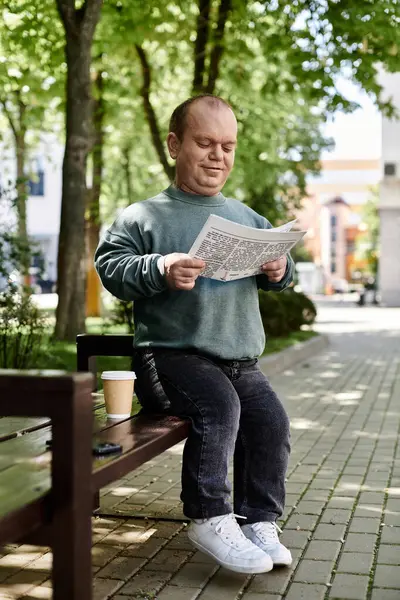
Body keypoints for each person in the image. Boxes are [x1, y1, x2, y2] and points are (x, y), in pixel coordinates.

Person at [95, 94, 294, 575]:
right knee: (219, 407)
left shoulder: (249, 219)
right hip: (169, 359)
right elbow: (111, 267)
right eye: (204, 143)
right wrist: (159, 267)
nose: (217, 156)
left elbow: (287, 276)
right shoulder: (144, 216)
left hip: (239, 360)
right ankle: (208, 514)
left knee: (271, 423)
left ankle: (257, 520)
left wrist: (279, 267)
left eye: (227, 146)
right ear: (173, 144)